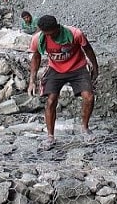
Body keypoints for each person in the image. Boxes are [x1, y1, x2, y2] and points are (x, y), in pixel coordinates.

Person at [28, 15, 99, 149]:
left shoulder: (75, 34)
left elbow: (88, 49)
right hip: (55, 69)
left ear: (57, 27)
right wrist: (32, 80)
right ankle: (50, 136)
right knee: (51, 100)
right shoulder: (38, 39)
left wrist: (95, 68)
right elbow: (36, 58)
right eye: (47, 34)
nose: (51, 36)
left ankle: (84, 128)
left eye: (53, 33)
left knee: (89, 97)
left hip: (77, 67)